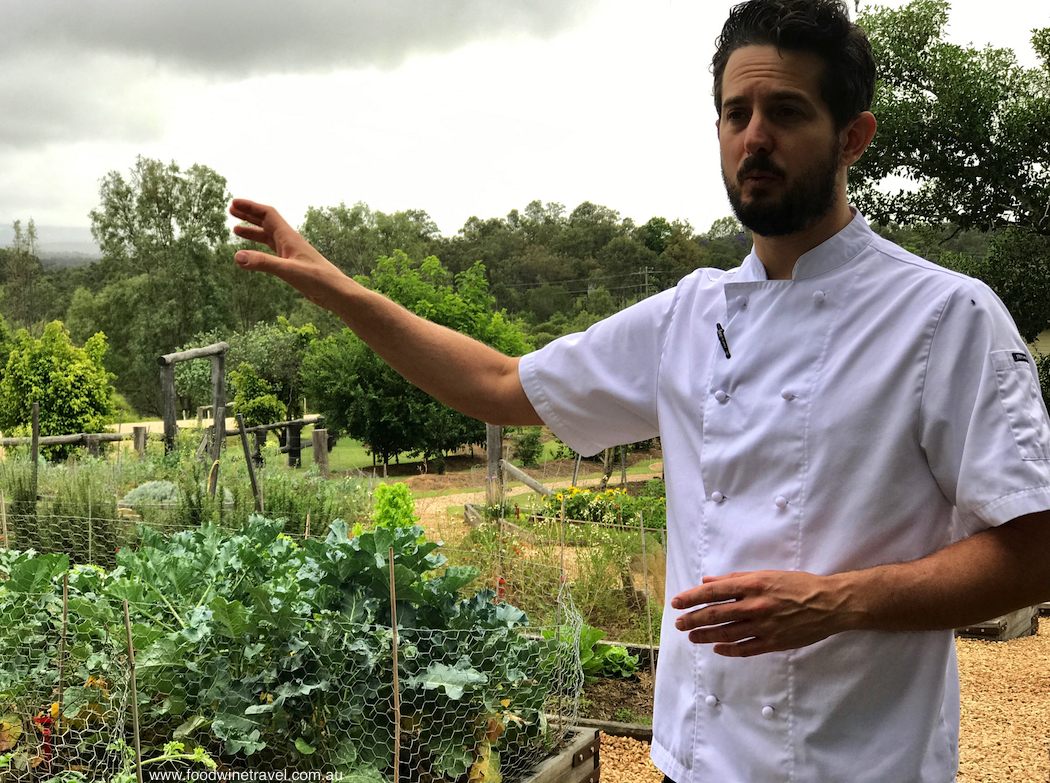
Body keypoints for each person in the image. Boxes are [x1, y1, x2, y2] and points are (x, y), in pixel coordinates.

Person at [228, 1, 1050, 779]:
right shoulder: (688, 315)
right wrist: (341, 291)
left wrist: (835, 601)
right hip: (690, 761)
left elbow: (1034, 549)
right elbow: (500, 382)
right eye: (736, 114)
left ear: (853, 137)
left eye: (787, 112)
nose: (754, 137)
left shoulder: (945, 317)